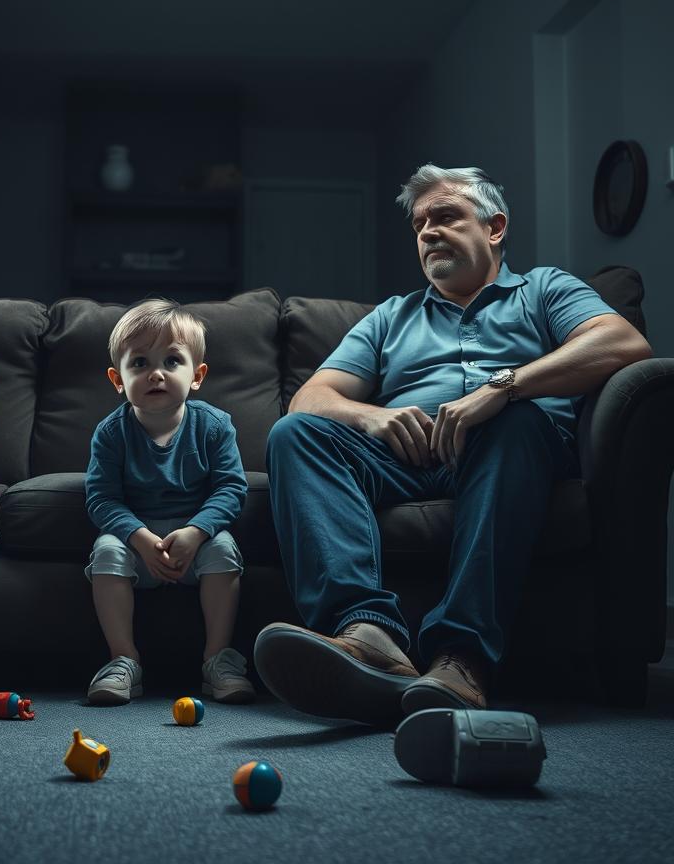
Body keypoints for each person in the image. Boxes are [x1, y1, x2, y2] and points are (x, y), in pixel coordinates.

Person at [255, 164, 652, 726]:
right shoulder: (393, 316)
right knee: (295, 434)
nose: (427, 233)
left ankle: (460, 661)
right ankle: (369, 639)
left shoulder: (545, 289)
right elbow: (312, 396)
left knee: (518, 422)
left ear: (494, 228)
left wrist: (505, 387)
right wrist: (373, 417)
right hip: (408, 457)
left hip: (511, 451)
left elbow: (624, 342)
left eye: (445, 216)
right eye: (419, 225)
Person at [83, 299, 256, 705]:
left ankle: (218, 660)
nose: (156, 373)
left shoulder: (213, 425)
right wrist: (139, 538)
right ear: (117, 379)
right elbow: (102, 498)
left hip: (193, 541)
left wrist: (197, 532)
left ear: (197, 376)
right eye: (139, 363)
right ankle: (123, 660)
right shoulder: (111, 433)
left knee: (224, 547)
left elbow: (231, 488)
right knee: (105, 549)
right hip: (136, 541)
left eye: (172, 361)